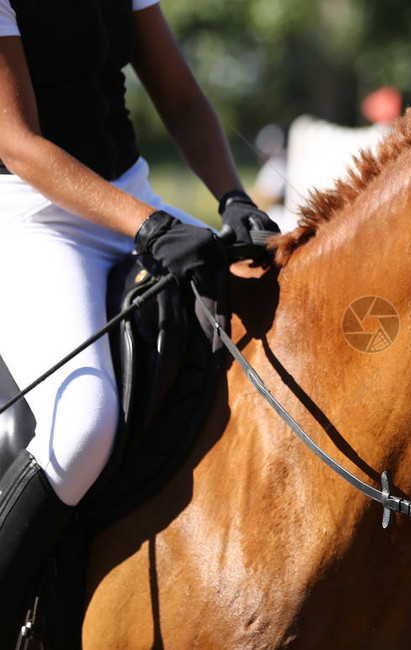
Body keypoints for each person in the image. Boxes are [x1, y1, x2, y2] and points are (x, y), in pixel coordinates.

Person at [0, 0, 279, 638]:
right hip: (31, 213)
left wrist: (231, 195)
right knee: (82, 428)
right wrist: (149, 227)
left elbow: (178, 96)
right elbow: (19, 143)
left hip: (128, 190)